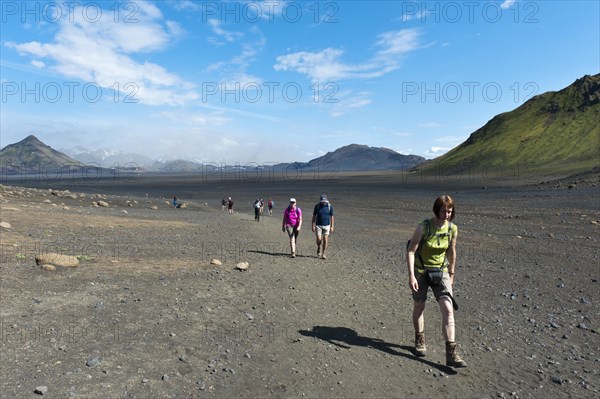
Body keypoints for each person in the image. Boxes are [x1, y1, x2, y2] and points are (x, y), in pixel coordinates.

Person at [406, 195, 467, 368]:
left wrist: (452, 273)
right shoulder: (423, 227)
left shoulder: (452, 229)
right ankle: (419, 338)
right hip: (421, 271)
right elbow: (411, 251)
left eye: (450, 211)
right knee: (419, 306)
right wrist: (411, 276)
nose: (447, 214)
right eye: (444, 211)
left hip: (441, 272)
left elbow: (451, 251)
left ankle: (451, 354)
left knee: (448, 309)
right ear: (437, 210)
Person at [312, 194, 334, 259]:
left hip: (327, 225)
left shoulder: (329, 206)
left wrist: (332, 226)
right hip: (318, 225)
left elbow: (332, 217)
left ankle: (324, 253)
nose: (324, 202)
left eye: (324, 200)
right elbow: (314, 216)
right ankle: (319, 247)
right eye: (322, 201)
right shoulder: (317, 206)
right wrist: (313, 226)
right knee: (319, 240)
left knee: (325, 239)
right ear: (320, 201)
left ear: (326, 200)